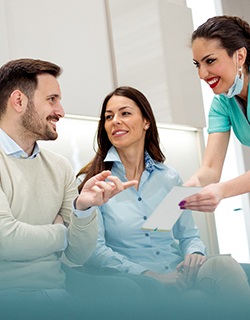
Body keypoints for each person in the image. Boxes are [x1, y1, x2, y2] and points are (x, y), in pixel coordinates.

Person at [76, 86, 250, 318]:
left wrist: (194, 253)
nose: (115, 121)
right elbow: (94, 250)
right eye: (109, 117)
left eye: (125, 113)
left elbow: (188, 235)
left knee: (226, 266)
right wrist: (150, 274)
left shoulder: (168, 177)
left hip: (181, 271)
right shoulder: (95, 183)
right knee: (196, 301)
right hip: (138, 281)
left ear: (146, 122)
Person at [0, 58, 152, 320]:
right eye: (52, 99)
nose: (60, 110)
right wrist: (62, 232)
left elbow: (78, 254)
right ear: (18, 101)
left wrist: (82, 209)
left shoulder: (59, 168)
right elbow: (7, 241)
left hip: (59, 296)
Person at [178, 15, 250, 213]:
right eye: (197, 64)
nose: (202, 74)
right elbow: (210, 169)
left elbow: (219, 185)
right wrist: (187, 190)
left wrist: (222, 191)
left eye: (210, 61)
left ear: (240, 56)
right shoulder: (222, 103)